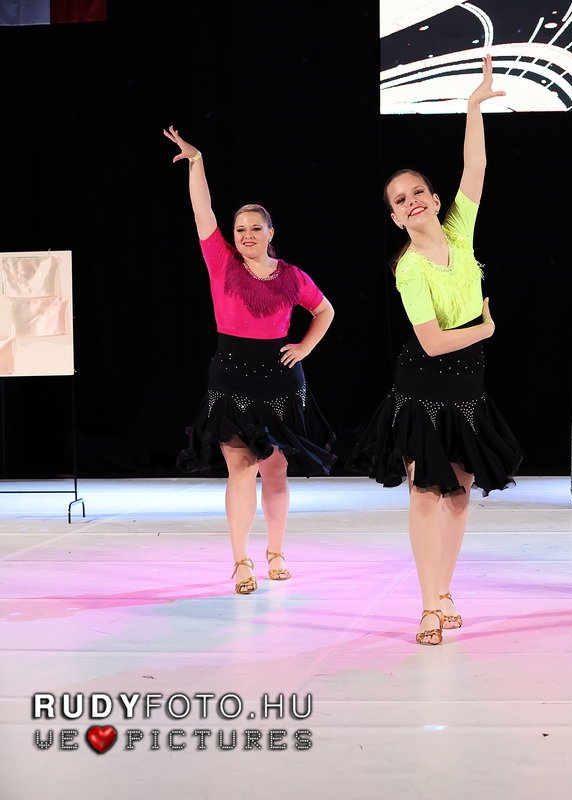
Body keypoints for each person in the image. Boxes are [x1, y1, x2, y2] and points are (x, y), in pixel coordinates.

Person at [350, 56, 522, 645]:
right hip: (424, 381)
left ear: (433, 197)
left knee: (461, 492)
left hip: (468, 382)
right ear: (396, 218)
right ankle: (427, 605)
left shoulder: (458, 232)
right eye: (401, 200)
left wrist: (473, 107)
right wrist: (487, 331)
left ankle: (445, 591)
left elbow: (476, 167)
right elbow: (432, 340)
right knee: (426, 493)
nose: (412, 201)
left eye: (418, 192)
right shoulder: (410, 267)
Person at [164, 126, 336, 595]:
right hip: (231, 378)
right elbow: (202, 211)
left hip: (279, 382)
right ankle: (241, 562)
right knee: (240, 468)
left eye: (255, 228)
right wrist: (197, 161)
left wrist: (304, 347)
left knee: (275, 468)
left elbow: (325, 311)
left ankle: (276, 552)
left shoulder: (292, 276)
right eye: (240, 229)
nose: (246, 235)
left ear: (270, 233)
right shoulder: (221, 262)